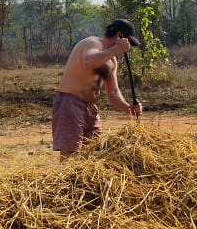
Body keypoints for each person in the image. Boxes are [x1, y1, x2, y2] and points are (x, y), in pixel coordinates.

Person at [52, 18, 143, 159]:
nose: (128, 48)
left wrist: (129, 108)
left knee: (94, 154)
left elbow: (113, 93)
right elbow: (88, 61)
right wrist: (116, 49)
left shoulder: (112, 60)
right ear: (119, 36)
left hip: (91, 109)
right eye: (127, 42)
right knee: (70, 155)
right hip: (70, 104)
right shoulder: (93, 43)